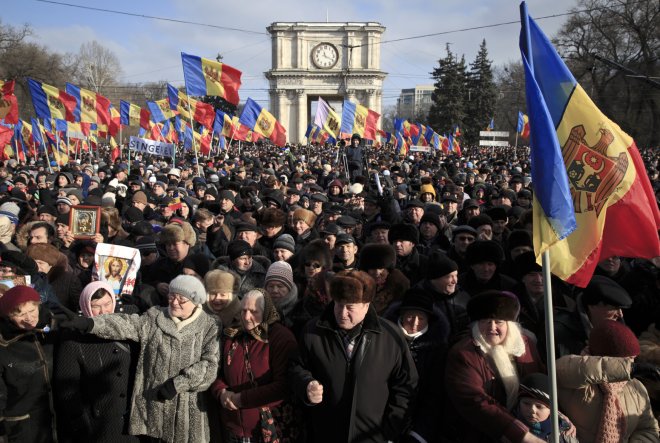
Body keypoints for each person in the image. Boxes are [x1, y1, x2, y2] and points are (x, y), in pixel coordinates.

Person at [61, 275, 220, 443]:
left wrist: (178, 384)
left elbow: (210, 365)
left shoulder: (209, 325)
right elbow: (125, 324)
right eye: (172, 297)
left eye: (182, 300)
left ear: (196, 302)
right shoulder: (155, 317)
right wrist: (89, 324)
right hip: (153, 408)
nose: (174, 303)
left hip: (186, 412)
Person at [290, 270, 419, 443]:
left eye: (350, 307)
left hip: (372, 436)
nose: (342, 314)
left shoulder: (390, 337)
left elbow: (406, 385)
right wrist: (306, 384)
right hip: (326, 434)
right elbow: (295, 367)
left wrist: (390, 430)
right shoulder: (313, 331)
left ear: (366, 306)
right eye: (338, 305)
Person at [444, 290, 546, 442]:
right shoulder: (464, 353)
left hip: (531, 427)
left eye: (499, 322)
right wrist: (519, 434)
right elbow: (475, 401)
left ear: (509, 325)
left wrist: (556, 414)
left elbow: (540, 385)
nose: (492, 327)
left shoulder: (524, 345)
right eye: (486, 321)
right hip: (482, 433)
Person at [53, 281, 139, 443]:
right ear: (86, 306)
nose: (103, 311)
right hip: (99, 425)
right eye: (96, 306)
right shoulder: (73, 340)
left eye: (107, 304)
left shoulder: (127, 330)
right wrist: (80, 423)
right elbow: (67, 387)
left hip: (130, 423)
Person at [211, 289, 298, 442]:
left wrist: (241, 399)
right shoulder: (233, 336)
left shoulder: (281, 338)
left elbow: (284, 385)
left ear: (266, 313)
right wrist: (222, 392)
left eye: (254, 311)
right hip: (234, 430)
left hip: (268, 430)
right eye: (243, 310)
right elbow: (217, 373)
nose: (246, 317)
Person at [556, 320, 659, 442]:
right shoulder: (573, 370)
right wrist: (627, 369)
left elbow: (648, 429)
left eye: (633, 359)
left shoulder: (636, 388)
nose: (632, 363)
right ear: (607, 357)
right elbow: (575, 369)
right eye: (626, 359)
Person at [0, 286, 57, 443]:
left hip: (57, 422)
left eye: (32, 311)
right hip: (22, 427)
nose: (29, 318)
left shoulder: (52, 331)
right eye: (21, 314)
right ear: (9, 316)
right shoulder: (4, 345)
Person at [513, 373, 578, 443]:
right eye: (526, 403)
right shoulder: (510, 423)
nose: (532, 410)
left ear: (551, 409)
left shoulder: (564, 431)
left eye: (539, 406)